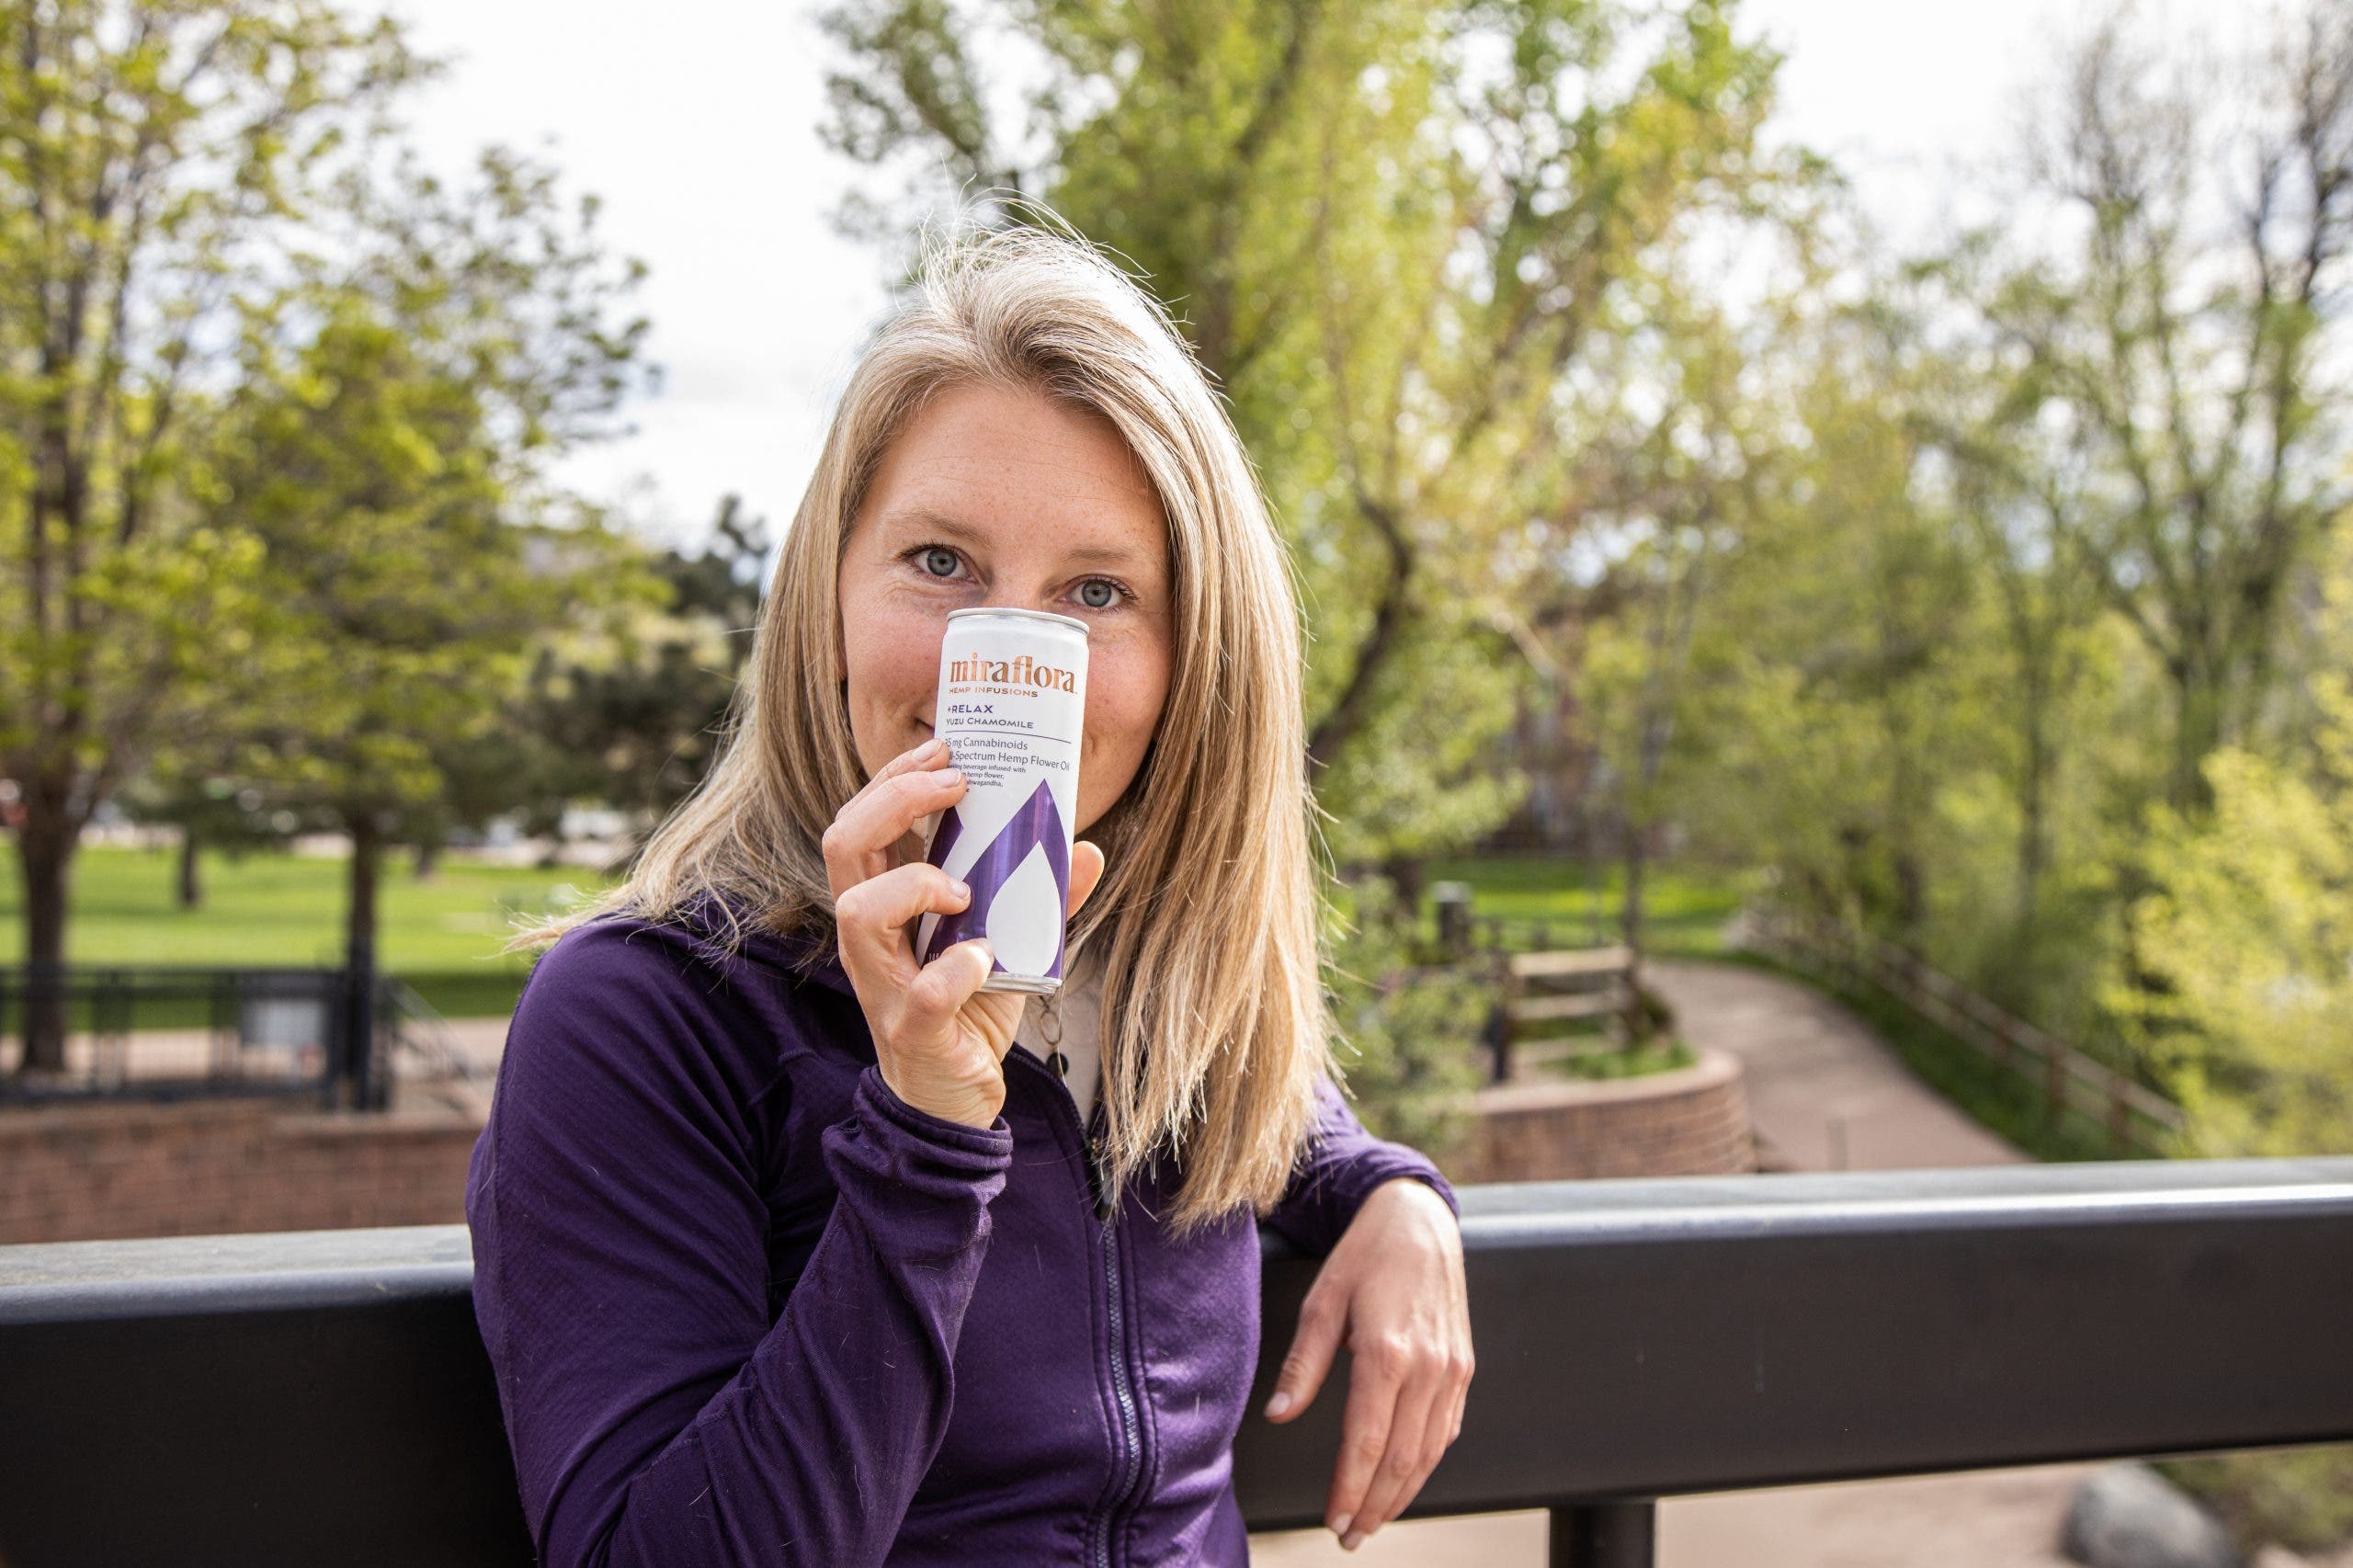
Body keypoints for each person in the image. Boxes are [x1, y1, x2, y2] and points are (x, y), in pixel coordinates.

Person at [465, 216, 1474, 1567]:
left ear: (1195, 666)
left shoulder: (1167, 974)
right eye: (940, 563)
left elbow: (1280, 1105)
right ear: (828, 598)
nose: (1005, 662)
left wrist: (1389, 1194)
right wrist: (927, 1132)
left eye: (1097, 591)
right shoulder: (643, 1016)